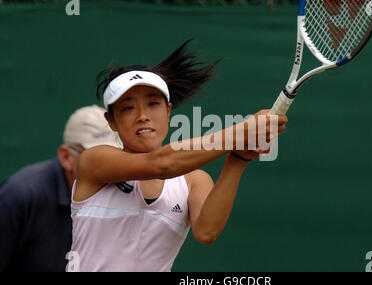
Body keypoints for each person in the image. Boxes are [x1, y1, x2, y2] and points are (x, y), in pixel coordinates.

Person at [69, 40, 288, 272]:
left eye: (153, 104)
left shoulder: (194, 181)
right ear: (111, 121)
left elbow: (206, 232)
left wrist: (238, 160)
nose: (142, 116)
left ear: (169, 111)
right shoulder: (94, 161)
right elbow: (162, 164)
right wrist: (242, 132)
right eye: (128, 108)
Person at [0, 105, 121, 272]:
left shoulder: (126, 194)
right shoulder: (19, 196)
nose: (108, 163)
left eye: (116, 154)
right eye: (95, 156)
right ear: (66, 157)